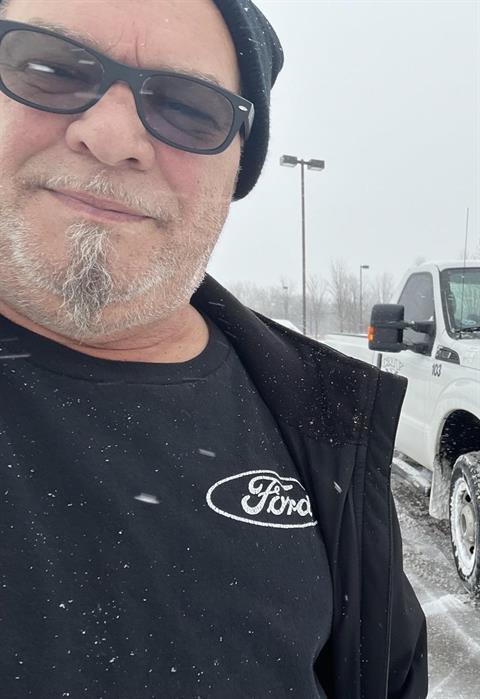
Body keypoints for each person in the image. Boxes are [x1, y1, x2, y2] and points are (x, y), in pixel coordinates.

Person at [0, 0, 427, 697]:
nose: (111, 135)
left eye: (186, 109)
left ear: (235, 171)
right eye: (50, 69)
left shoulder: (327, 425)